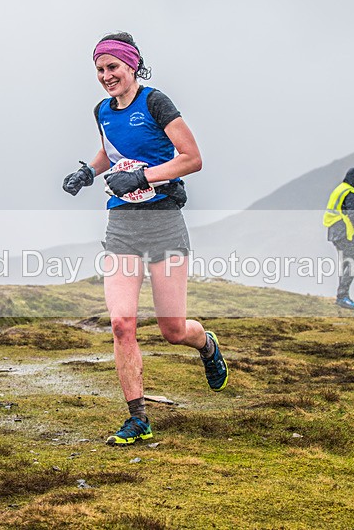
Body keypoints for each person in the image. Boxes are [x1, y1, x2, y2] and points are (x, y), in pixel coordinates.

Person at [62, 32, 228, 445]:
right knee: (122, 323)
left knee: (173, 329)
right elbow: (110, 152)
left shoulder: (155, 103)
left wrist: (143, 177)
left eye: (113, 67)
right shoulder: (102, 111)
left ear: (132, 65)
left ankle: (206, 345)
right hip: (121, 225)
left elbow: (192, 158)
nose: (106, 76)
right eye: (100, 69)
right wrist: (88, 171)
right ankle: (138, 418)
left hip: (164, 222)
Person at [323, 167, 354, 309]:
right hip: (344, 233)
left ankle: (342, 296)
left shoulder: (339, 189)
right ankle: (343, 297)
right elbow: (353, 215)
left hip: (334, 231)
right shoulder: (350, 193)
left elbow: (342, 212)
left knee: (346, 263)